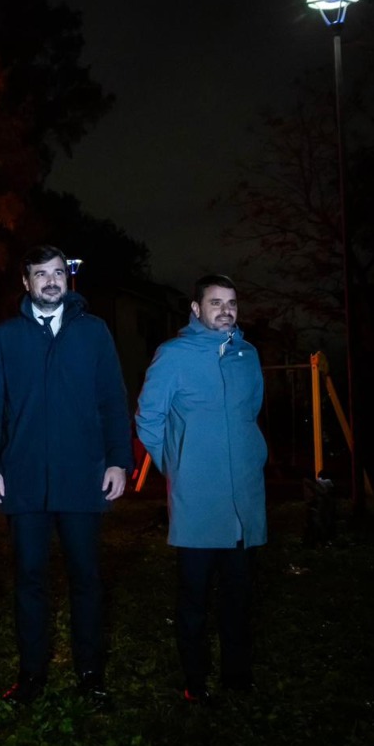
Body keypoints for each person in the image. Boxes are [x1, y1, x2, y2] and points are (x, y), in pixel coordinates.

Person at [0, 244, 132, 710]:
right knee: (29, 579)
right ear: (25, 283)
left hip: (81, 478)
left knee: (86, 578)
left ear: (66, 279)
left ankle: (90, 674)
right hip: (24, 480)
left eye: (56, 273)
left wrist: (117, 460)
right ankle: (31, 674)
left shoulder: (93, 332)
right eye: (40, 275)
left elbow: (112, 398)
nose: (50, 281)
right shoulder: (5, 337)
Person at [134, 273, 267, 705]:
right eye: (215, 302)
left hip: (243, 502)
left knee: (239, 598)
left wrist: (252, 457)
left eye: (231, 302)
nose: (225, 310)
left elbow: (252, 412)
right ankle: (195, 680)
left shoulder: (248, 355)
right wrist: (178, 464)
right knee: (194, 599)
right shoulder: (173, 356)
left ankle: (238, 676)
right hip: (197, 502)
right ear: (196, 309)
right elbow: (148, 419)